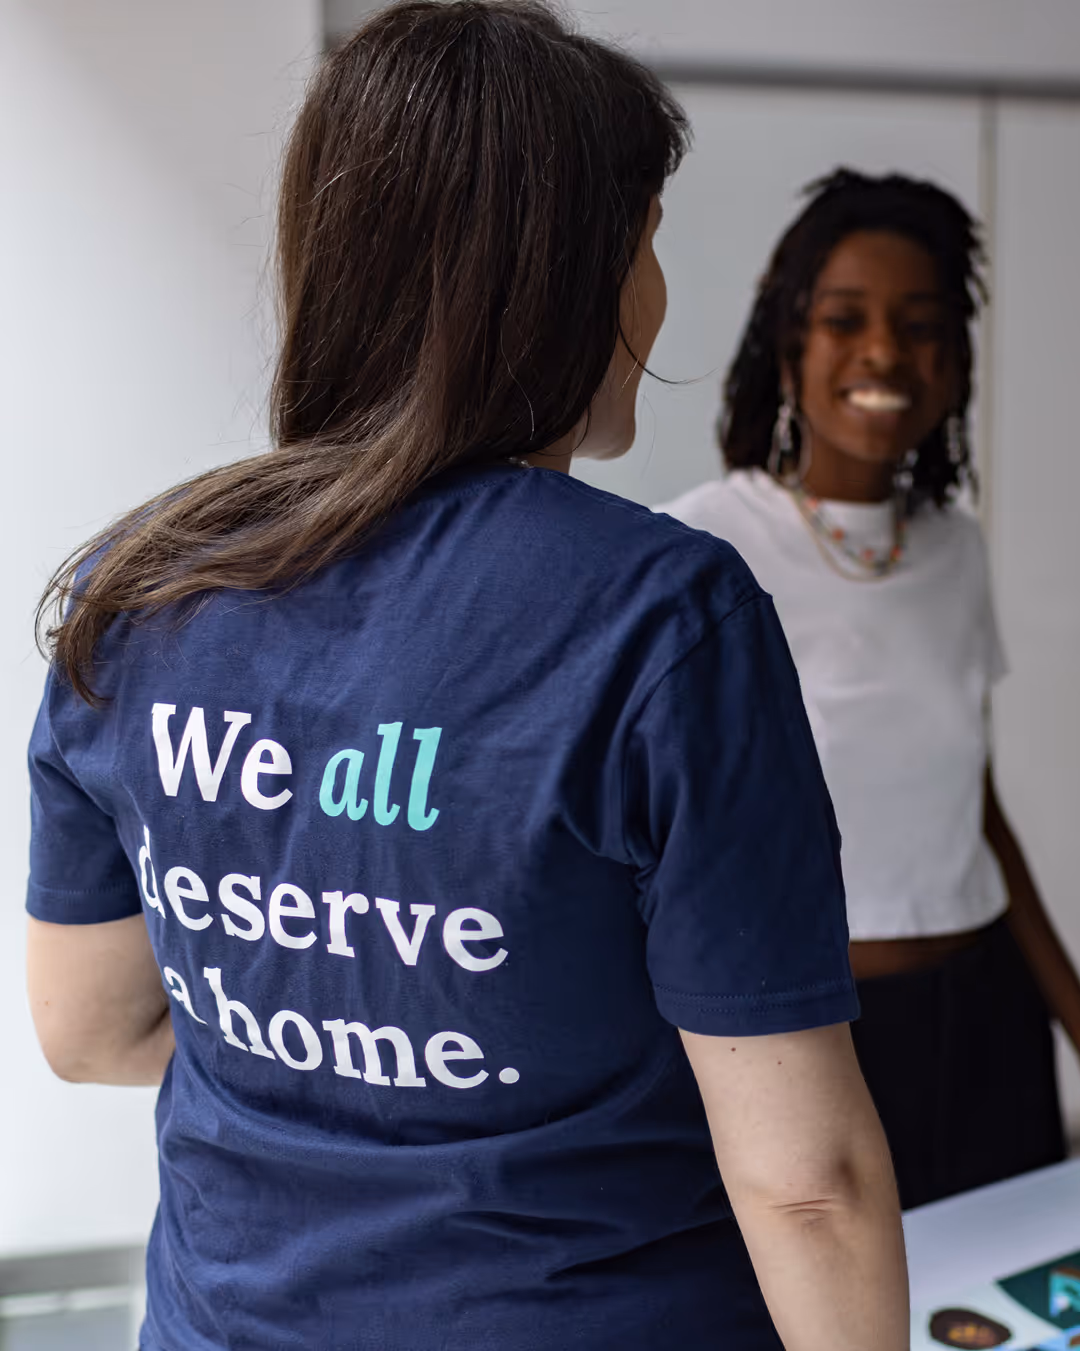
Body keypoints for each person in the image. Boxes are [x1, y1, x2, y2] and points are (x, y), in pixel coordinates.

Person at [24, 9, 907, 1349]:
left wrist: (355, 1114)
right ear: (575, 272)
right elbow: (808, 1185)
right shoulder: (663, 618)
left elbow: (86, 1030)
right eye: (647, 241)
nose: (656, 292)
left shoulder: (135, 589)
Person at [658, 168, 1080, 1212]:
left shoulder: (955, 548)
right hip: (809, 1033)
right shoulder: (705, 544)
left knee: (1007, 1290)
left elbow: (974, 803)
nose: (885, 352)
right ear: (789, 345)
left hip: (985, 1013)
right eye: (845, 320)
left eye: (921, 325)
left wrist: (1072, 1010)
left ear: (956, 363)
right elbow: (663, 832)